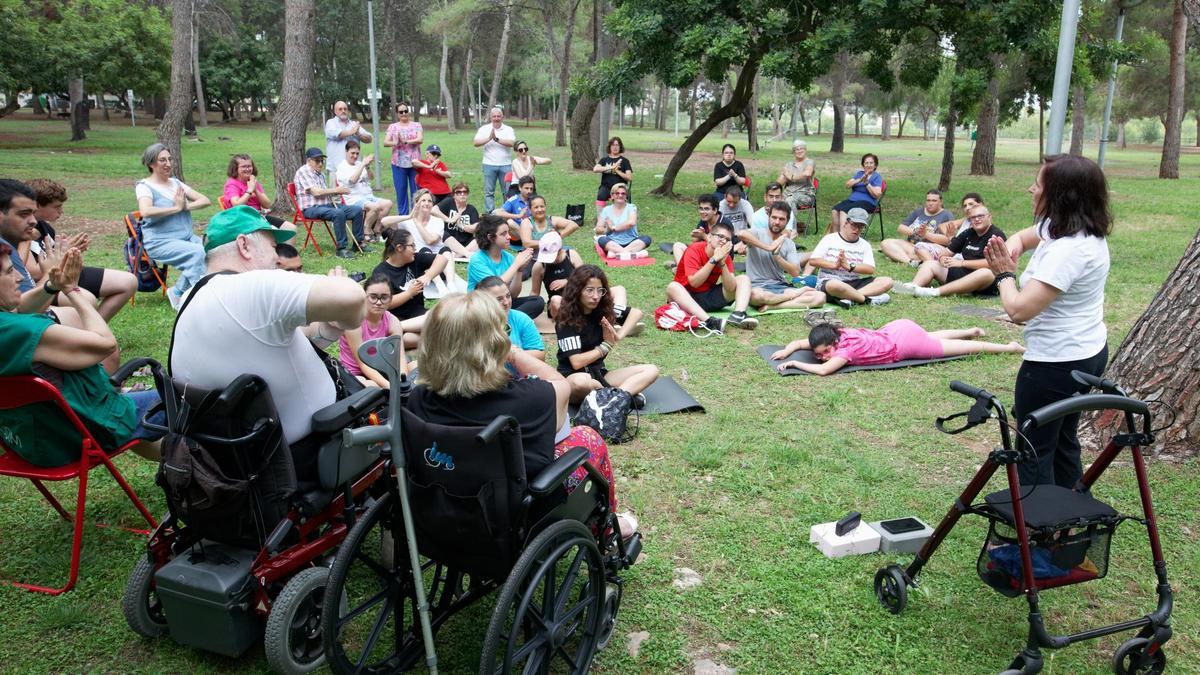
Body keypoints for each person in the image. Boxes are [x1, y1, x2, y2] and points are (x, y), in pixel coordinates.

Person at [405, 292, 637, 537]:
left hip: (440, 509)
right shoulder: (529, 398)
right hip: (508, 519)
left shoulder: (418, 398)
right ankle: (607, 528)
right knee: (588, 437)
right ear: (494, 343)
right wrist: (514, 353)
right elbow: (562, 385)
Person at [170, 205, 367, 451]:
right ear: (244, 246)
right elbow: (352, 298)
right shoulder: (252, 286)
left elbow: (268, 344)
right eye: (273, 247)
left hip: (244, 456)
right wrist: (345, 303)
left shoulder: (191, 296)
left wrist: (328, 328)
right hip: (317, 448)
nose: (278, 258)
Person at [983, 154, 1112, 490]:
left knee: (1033, 448)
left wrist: (1004, 274)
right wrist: (1011, 247)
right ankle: (1071, 521)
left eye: (1037, 184)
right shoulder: (1067, 227)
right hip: (1088, 352)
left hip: (1056, 364)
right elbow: (1026, 237)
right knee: (1063, 440)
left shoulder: (1069, 250)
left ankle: (1039, 533)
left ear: (1060, 196)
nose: (1031, 189)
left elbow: (1019, 310)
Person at [0, 242, 163, 466]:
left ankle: (180, 464)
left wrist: (50, 286)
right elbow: (105, 344)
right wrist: (71, 290)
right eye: (10, 271)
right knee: (182, 399)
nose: (19, 277)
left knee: (144, 420)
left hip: (25, 439)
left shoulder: (8, 324)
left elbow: (19, 310)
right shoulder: (23, 333)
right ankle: (202, 473)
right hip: (79, 434)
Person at [24, 178, 138, 322]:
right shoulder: (22, 231)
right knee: (88, 299)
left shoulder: (44, 227)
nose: (61, 211)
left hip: (62, 274)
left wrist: (71, 251)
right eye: (57, 206)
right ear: (37, 205)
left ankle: (94, 332)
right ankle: (88, 335)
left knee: (128, 282)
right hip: (43, 284)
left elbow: (54, 256)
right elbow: (33, 272)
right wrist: (66, 253)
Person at [554, 265, 656, 403]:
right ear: (577, 291)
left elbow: (636, 313)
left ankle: (614, 399)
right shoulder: (566, 319)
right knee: (582, 383)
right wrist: (606, 346)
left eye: (600, 290)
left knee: (651, 370)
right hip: (573, 377)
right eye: (589, 290)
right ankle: (619, 395)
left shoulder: (603, 309)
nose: (595, 296)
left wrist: (619, 336)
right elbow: (576, 362)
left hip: (600, 374)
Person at [771, 320, 1023, 376]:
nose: (824, 356)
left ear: (835, 344)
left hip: (903, 343)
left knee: (960, 349)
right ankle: (971, 330)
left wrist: (794, 362)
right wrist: (787, 349)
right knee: (934, 337)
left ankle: (1008, 347)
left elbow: (825, 371)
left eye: (826, 352)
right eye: (820, 353)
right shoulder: (836, 335)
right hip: (895, 328)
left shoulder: (843, 352)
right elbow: (800, 342)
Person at [134, 143, 211, 308]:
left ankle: (177, 292)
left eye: (169, 159)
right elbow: (145, 211)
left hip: (185, 237)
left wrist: (186, 207)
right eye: (162, 160)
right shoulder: (144, 186)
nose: (168, 164)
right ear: (151, 164)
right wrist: (175, 208)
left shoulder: (176, 183)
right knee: (197, 253)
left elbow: (205, 200)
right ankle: (204, 297)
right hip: (160, 241)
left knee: (210, 252)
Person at [894, 203, 1006, 298]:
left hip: (984, 281)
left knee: (986, 273)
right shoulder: (968, 233)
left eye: (980, 216)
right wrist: (942, 258)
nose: (977, 219)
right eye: (973, 217)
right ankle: (912, 287)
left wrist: (961, 263)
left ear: (989, 217)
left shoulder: (996, 235)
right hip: (962, 272)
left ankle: (934, 292)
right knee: (930, 263)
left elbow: (992, 264)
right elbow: (947, 251)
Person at [666, 220, 758, 332]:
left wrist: (722, 264)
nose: (723, 241)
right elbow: (694, 282)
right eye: (720, 236)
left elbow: (730, 288)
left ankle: (738, 315)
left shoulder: (726, 257)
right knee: (673, 286)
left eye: (727, 239)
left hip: (708, 296)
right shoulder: (694, 250)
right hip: (686, 297)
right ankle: (710, 322)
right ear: (709, 237)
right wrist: (713, 260)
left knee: (743, 279)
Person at [739, 202, 824, 310]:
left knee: (820, 297)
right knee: (756, 296)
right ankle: (790, 297)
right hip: (758, 286)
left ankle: (772, 306)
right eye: (774, 217)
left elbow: (795, 272)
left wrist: (777, 257)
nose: (777, 222)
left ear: (787, 221)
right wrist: (768, 247)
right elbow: (741, 234)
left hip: (780, 286)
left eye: (781, 219)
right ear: (768, 217)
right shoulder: (757, 234)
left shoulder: (788, 243)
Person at [804, 207, 892, 308]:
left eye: (861, 226)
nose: (857, 230)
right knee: (835, 285)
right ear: (846, 223)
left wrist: (850, 266)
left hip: (854, 282)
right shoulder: (830, 239)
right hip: (830, 282)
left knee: (887, 281)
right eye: (854, 225)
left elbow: (870, 269)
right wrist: (834, 265)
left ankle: (849, 297)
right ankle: (866, 300)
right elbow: (813, 260)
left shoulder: (865, 244)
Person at [466, 214, 544, 319]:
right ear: (490, 237)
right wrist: (516, 265)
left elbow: (512, 295)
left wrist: (519, 271)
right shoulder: (477, 260)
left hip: (501, 305)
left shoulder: (508, 258)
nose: (509, 237)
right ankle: (511, 320)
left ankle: (505, 320)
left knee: (537, 301)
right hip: (483, 307)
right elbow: (494, 287)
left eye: (508, 232)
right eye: (503, 234)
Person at [293, 147, 366, 259]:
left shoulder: (320, 174)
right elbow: (316, 192)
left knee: (357, 210)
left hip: (326, 205)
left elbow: (325, 193)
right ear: (309, 161)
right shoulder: (303, 172)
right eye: (317, 161)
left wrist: (339, 191)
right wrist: (336, 190)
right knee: (338, 213)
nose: (321, 163)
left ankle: (358, 243)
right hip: (310, 208)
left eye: (322, 160)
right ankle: (341, 249)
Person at [372, 228, 449, 331]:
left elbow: (442, 259)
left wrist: (428, 276)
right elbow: (385, 303)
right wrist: (409, 293)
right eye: (412, 245)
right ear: (399, 248)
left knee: (441, 319)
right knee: (410, 336)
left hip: (417, 313)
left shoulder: (415, 260)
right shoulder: (381, 272)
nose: (415, 249)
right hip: (395, 318)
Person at [340, 273, 406, 388]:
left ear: (390, 299)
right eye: (373, 297)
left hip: (381, 368)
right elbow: (363, 364)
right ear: (364, 297)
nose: (379, 302)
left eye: (384, 297)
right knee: (372, 386)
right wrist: (392, 387)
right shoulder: (354, 322)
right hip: (355, 373)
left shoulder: (393, 321)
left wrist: (403, 380)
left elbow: (399, 357)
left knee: (415, 367)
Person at [336, 140, 394, 243]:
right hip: (354, 199)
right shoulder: (342, 167)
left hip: (368, 196)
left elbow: (371, 177)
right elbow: (352, 180)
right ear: (346, 152)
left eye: (357, 153)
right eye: (352, 153)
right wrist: (363, 164)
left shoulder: (359, 164)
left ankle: (377, 229)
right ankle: (366, 231)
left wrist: (367, 166)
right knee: (374, 207)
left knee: (388, 203)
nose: (355, 156)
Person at [222, 154, 297, 232]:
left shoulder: (252, 182)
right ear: (235, 169)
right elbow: (237, 205)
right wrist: (250, 190)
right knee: (274, 234)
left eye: (249, 166)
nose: (247, 169)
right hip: (242, 219)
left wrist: (256, 190)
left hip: (258, 216)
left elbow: (267, 205)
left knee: (291, 228)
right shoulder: (232, 184)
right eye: (243, 166)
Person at [880, 189, 955, 266]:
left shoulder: (946, 215)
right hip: (912, 246)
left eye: (934, 201)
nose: (930, 203)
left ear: (941, 202)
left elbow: (947, 240)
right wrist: (916, 231)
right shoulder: (919, 212)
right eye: (928, 200)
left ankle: (899, 256)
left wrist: (926, 234)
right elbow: (901, 228)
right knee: (885, 243)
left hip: (930, 249)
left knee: (905, 251)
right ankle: (911, 262)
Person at [476, 275, 544, 359]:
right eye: (499, 299)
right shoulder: (473, 322)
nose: (506, 302)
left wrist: (513, 354)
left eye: (508, 296)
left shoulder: (521, 319)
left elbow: (540, 356)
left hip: (518, 371)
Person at [913, 193, 984, 263]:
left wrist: (952, 238)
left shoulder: (981, 224)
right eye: (965, 206)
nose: (967, 207)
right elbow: (942, 226)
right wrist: (950, 237)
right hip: (952, 251)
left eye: (971, 204)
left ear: (980, 204)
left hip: (962, 257)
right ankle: (932, 264)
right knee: (919, 246)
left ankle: (932, 265)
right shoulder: (966, 220)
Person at [667, 194, 730, 270]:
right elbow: (696, 244)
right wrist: (695, 238)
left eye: (706, 209)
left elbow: (723, 248)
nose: (703, 212)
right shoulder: (704, 220)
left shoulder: (724, 224)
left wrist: (704, 236)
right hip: (703, 254)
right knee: (677, 246)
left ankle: (681, 268)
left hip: (718, 258)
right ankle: (683, 268)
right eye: (701, 208)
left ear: (715, 210)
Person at [530, 231, 584, 319]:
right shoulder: (539, 266)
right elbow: (534, 292)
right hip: (557, 304)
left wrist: (567, 281)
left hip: (577, 299)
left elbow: (586, 278)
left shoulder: (571, 255)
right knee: (555, 300)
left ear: (560, 250)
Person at [473, 106, 516, 212]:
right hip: (489, 164)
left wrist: (496, 139)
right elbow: (476, 143)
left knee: (507, 191)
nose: (496, 118)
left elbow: (512, 143)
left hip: (505, 165)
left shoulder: (508, 129)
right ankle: (489, 214)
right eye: (494, 116)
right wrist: (489, 138)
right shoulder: (484, 129)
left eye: (498, 116)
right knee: (489, 192)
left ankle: (507, 212)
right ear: (490, 117)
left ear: (502, 117)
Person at [383, 101, 423, 215]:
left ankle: (416, 217)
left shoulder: (416, 125)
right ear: (397, 113)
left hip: (415, 164)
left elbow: (420, 139)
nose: (404, 113)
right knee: (401, 192)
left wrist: (405, 141)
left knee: (416, 192)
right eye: (401, 112)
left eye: (406, 111)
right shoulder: (393, 127)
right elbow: (385, 142)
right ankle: (403, 218)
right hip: (398, 164)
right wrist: (396, 142)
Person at [381, 189, 448, 254]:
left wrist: (417, 223)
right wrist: (408, 217)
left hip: (436, 256)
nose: (427, 203)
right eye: (423, 200)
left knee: (446, 252)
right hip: (417, 257)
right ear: (416, 203)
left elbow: (430, 241)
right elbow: (384, 222)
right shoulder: (408, 222)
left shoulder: (438, 221)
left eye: (430, 201)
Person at [830, 153, 883, 233]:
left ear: (875, 165)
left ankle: (843, 234)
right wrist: (860, 179)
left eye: (871, 163)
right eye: (866, 163)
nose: (869, 165)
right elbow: (847, 185)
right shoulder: (859, 174)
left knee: (844, 210)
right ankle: (835, 235)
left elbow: (876, 194)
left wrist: (867, 184)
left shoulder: (877, 177)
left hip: (868, 203)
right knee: (835, 209)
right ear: (863, 165)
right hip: (852, 200)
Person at [594, 183, 650, 258]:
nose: (620, 195)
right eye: (617, 193)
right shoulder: (606, 210)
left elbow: (631, 223)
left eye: (623, 193)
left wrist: (614, 228)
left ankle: (617, 253)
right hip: (613, 242)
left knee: (646, 238)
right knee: (601, 240)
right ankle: (633, 254)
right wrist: (607, 229)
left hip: (631, 241)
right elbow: (598, 229)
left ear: (626, 196)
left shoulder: (631, 207)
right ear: (612, 195)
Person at [324, 100, 373, 178]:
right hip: (336, 167)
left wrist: (358, 134)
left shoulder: (353, 124)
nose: (343, 111)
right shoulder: (331, 123)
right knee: (336, 190)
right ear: (335, 111)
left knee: (354, 189)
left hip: (354, 167)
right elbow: (337, 134)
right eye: (340, 109)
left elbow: (369, 139)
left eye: (345, 109)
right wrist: (352, 131)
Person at [431, 182, 480, 258]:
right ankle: (465, 253)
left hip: (466, 242)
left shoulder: (471, 209)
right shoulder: (449, 202)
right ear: (453, 195)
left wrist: (461, 225)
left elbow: (475, 228)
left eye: (465, 192)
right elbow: (433, 210)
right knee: (442, 233)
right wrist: (449, 220)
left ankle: (458, 255)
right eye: (459, 192)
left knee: (480, 238)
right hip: (448, 241)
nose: (462, 194)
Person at [777, 139, 816, 222]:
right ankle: (777, 225)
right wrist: (783, 174)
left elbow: (807, 173)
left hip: (805, 195)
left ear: (805, 150)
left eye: (801, 148)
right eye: (797, 149)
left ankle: (792, 229)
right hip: (788, 193)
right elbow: (779, 183)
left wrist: (792, 177)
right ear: (793, 152)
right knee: (774, 199)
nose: (799, 151)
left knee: (790, 200)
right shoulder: (789, 164)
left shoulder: (809, 162)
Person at [592, 136, 632, 208]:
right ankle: (601, 217)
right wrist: (611, 167)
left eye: (617, 145)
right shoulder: (604, 160)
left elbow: (629, 178)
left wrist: (617, 171)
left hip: (620, 187)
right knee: (601, 195)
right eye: (613, 145)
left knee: (621, 195)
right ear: (610, 147)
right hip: (606, 187)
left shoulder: (625, 161)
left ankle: (621, 216)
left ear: (620, 147)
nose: (615, 147)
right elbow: (595, 169)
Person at [495, 175, 536, 242]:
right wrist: (518, 216)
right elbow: (498, 212)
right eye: (526, 188)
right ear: (520, 188)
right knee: (510, 222)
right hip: (517, 233)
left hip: (531, 228)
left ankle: (531, 240)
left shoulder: (534, 200)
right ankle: (529, 241)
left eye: (531, 189)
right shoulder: (513, 200)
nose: (529, 191)